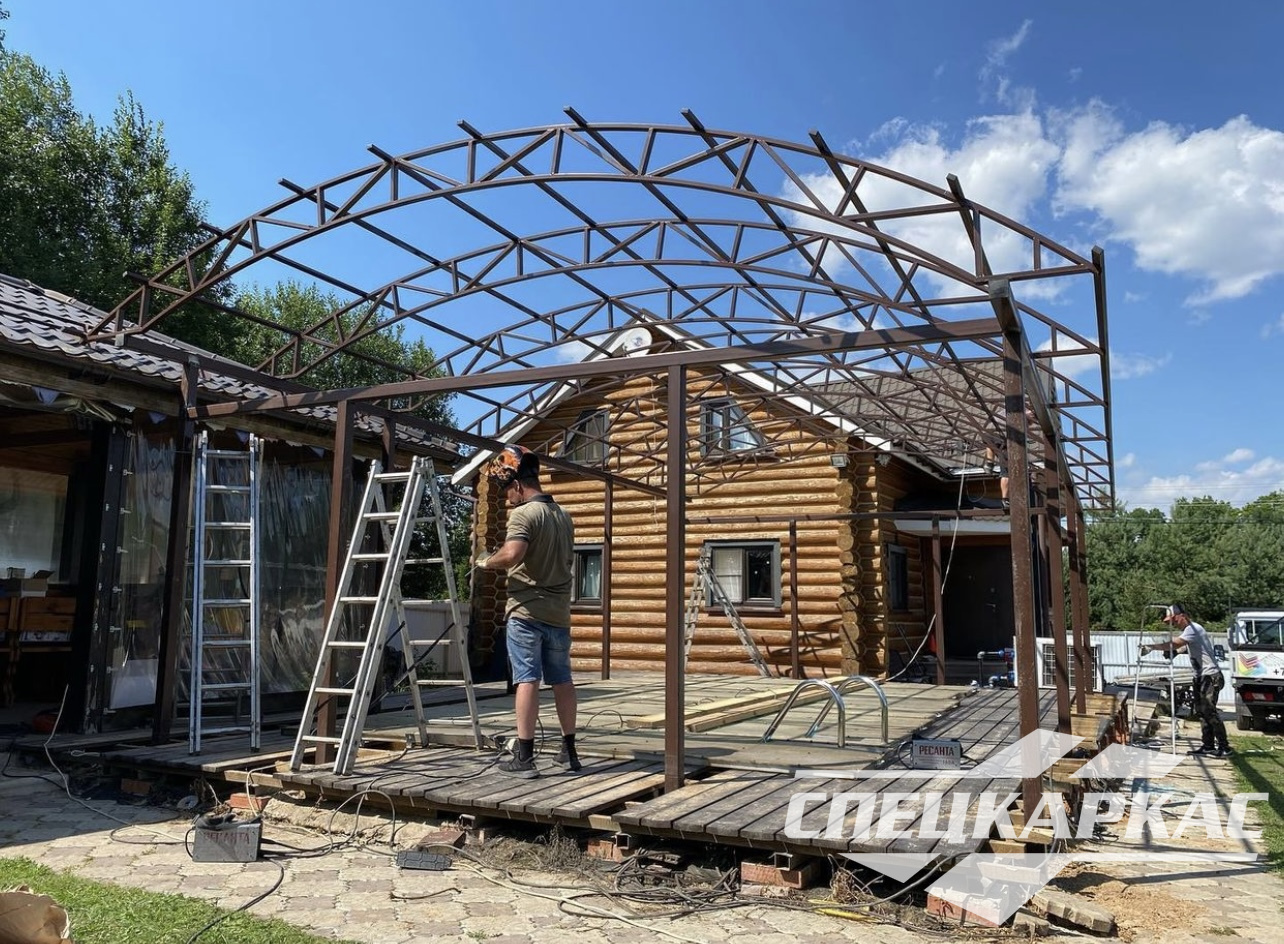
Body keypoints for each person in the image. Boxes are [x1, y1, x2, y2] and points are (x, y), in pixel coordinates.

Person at [474, 444, 580, 777]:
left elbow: (512, 554)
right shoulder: (563, 515)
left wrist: (486, 562)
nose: (507, 498)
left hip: (527, 613)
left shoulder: (524, 514)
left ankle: (524, 758)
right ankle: (569, 753)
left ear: (518, 484)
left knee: (527, 680)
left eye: (507, 490)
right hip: (558, 614)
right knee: (562, 681)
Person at [1142, 603, 1232, 758]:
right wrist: (1175, 652)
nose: (1173, 623)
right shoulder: (1190, 631)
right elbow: (1184, 646)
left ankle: (1225, 747)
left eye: (1174, 620)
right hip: (1201, 676)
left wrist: (1152, 647)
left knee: (1209, 712)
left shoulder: (1193, 629)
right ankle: (1208, 746)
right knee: (1202, 712)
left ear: (1182, 616)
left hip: (1210, 676)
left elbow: (1177, 643)